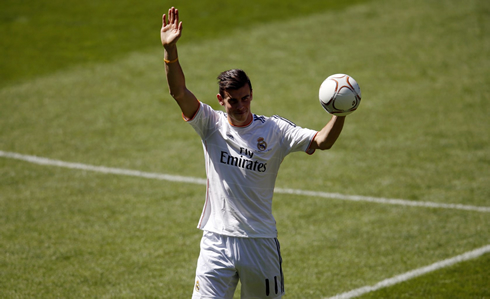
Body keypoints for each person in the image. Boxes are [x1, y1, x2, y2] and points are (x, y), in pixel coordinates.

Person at [160, 7, 346, 299]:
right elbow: (179, 92)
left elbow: (322, 141)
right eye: (234, 101)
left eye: (246, 98)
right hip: (216, 240)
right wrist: (170, 51)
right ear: (221, 100)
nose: (241, 106)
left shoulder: (275, 130)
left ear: (251, 94)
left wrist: (340, 113)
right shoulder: (211, 124)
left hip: (259, 241)